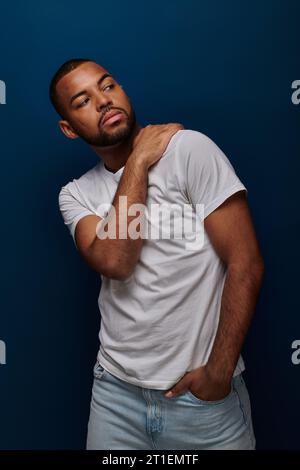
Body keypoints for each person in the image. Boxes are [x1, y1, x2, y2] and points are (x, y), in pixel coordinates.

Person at [49, 58, 265, 450]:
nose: (103, 101)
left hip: (203, 405)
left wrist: (219, 372)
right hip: (115, 400)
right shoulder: (76, 195)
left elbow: (245, 263)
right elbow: (117, 261)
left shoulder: (188, 151)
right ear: (68, 128)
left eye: (108, 85)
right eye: (82, 101)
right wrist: (138, 161)